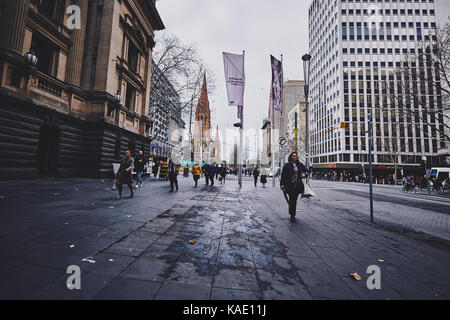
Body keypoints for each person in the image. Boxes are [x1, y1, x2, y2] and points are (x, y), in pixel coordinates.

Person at [280, 152, 309, 222]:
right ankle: (292, 214)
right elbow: (283, 175)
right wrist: (282, 184)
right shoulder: (287, 165)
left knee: (294, 200)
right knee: (291, 199)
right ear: (291, 157)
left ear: (297, 157)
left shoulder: (300, 165)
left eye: (295, 156)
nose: (294, 157)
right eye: (293, 156)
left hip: (297, 185)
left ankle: (292, 213)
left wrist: (304, 175)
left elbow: (307, 171)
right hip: (289, 185)